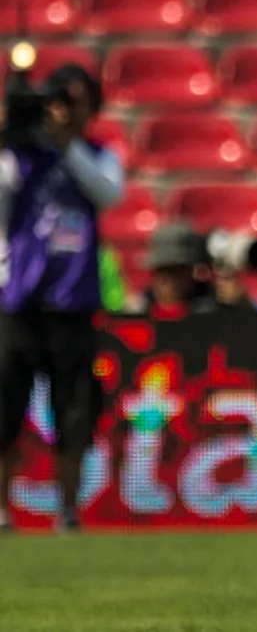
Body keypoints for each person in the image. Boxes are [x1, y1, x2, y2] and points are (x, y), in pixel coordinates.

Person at [0, 63, 124, 533]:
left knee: (73, 412)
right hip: (19, 301)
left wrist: (67, 145)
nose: (63, 112)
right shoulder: (19, 158)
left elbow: (108, 194)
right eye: (56, 101)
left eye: (73, 103)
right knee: (5, 410)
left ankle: (68, 511)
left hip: (72, 303)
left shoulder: (97, 155)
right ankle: (2, 511)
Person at [137, 222, 254, 317]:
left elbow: (256, 328)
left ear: (191, 271)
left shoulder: (212, 304)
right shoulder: (142, 308)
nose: (167, 282)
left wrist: (241, 304)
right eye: (162, 273)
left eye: (176, 272)